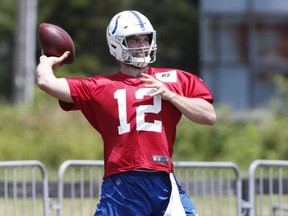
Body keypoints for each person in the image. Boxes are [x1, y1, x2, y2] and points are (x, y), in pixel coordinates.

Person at [36, 10, 216, 216]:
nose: (142, 45)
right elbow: (45, 82)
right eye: (134, 40)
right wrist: (47, 61)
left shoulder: (175, 79)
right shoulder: (100, 86)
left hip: (163, 181)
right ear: (117, 44)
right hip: (124, 183)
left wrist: (171, 95)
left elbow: (209, 115)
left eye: (145, 38)